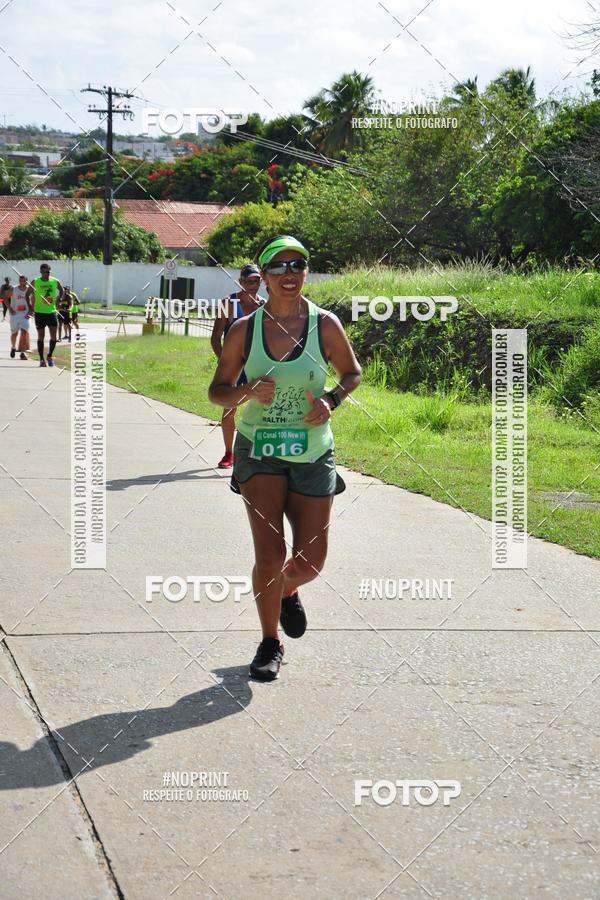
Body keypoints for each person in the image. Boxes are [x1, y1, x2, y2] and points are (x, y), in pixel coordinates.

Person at [208, 235, 362, 681]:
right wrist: (245, 392)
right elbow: (217, 391)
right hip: (258, 450)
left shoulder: (325, 324)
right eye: (279, 267)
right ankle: (269, 641)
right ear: (265, 276)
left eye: (298, 265)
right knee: (271, 553)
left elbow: (352, 373)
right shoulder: (244, 330)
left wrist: (331, 400)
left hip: (312, 451)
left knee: (311, 562)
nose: (289, 275)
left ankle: (288, 589)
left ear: (306, 272)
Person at [210, 264, 264, 469]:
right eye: (249, 281)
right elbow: (216, 337)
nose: (253, 284)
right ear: (241, 282)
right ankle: (228, 453)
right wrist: (225, 362)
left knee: (263, 407)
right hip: (234, 366)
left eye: (257, 280)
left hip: (256, 365)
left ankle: (260, 451)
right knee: (229, 409)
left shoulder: (265, 306)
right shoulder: (229, 303)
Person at [26, 263, 63, 368]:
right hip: (39, 313)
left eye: (49, 271)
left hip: (51, 312)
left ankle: (50, 356)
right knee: (41, 337)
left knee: (54, 338)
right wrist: (30, 307)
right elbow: (26, 295)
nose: (48, 273)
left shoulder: (55, 281)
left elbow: (62, 290)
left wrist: (58, 300)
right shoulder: (35, 281)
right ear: (41, 271)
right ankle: (42, 359)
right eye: (46, 272)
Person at [7, 274, 32, 360]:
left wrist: (31, 312)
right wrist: (10, 308)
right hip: (15, 314)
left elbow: (34, 300)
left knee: (25, 331)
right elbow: (5, 298)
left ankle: (22, 353)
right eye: (20, 281)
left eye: (23, 281)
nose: (22, 282)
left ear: (26, 281)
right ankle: (13, 347)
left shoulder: (30, 289)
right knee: (14, 333)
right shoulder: (13, 288)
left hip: (25, 314)